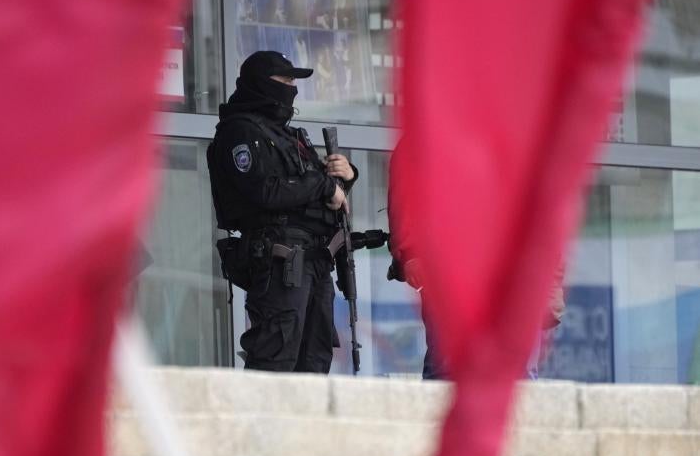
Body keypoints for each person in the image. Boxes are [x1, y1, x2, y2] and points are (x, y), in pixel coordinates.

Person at [207, 50, 358, 373]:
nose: (292, 87)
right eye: (286, 80)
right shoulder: (240, 131)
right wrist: (323, 187)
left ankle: (307, 426)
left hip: (314, 260)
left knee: (314, 361)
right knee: (275, 360)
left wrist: (345, 177)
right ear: (262, 84)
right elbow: (265, 190)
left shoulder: (290, 137)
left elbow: (321, 193)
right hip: (280, 260)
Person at [386, 139, 564, 380]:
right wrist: (411, 253)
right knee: (449, 367)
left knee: (519, 373)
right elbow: (406, 188)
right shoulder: (433, 126)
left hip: (517, 273)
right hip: (452, 269)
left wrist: (550, 282)